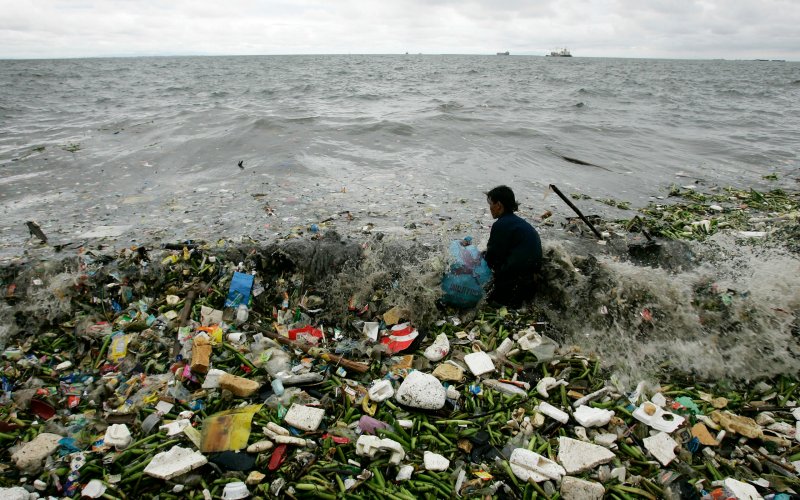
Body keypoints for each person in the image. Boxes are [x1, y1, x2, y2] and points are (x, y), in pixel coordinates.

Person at [484, 185, 542, 307]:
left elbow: (491, 258)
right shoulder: (520, 223)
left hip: (516, 285)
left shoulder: (501, 225)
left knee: (489, 304)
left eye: (490, 203)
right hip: (532, 282)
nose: (490, 208)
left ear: (499, 205)